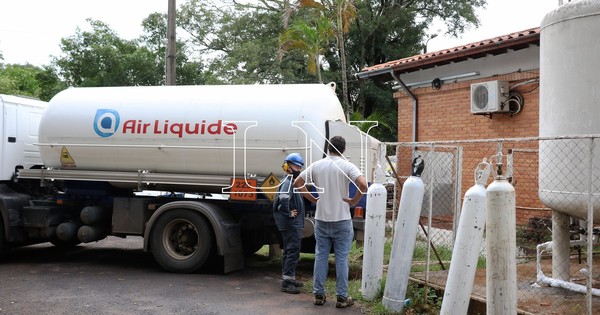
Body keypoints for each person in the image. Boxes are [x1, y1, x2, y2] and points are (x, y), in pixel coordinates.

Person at [293, 136, 367, 308]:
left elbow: (297, 183)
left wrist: (312, 198)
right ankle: (342, 297)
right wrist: (354, 200)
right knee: (341, 259)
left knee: (321, 256)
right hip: (341, 220)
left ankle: (319, 295)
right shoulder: (347, 165)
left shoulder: (317, 165)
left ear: (327, 148)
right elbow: (363, 184)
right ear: (343, 150)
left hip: (321, 219)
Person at [272, 152, 306, 294]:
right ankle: (287, 283)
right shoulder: (288, 182)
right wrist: (288, 213)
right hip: (291, 224)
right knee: (293, 251)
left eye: (300, 167)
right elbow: (283, 201)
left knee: (289, 251)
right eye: (296, 166)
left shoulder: (290, 181)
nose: (299, 169)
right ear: (288, 167)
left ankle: (289, 278)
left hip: (291, 224)